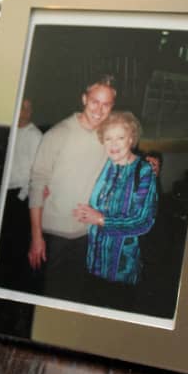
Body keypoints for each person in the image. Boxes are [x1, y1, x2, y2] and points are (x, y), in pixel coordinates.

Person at [26, 76, 116, 299]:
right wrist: (36, 237)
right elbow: (37, 184)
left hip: (88, 233)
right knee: (49, 296)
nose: (99, 110)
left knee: (76, 296)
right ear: (84, 99)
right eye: (95, 102)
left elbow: (125, 161)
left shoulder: (110, 136)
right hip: (54, 234)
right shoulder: (59, 133)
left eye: (106, 104)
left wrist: (150, 163)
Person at [74, 112, 157, 286]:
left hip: (122, 270)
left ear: (131, 139)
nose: (113, 144)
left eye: (120, 138)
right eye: (108, 139)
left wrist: (101, 219)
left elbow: (143, 221)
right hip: (92, 262)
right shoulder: (101, 165)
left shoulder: (143, 171)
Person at [0, 98, 43, 289]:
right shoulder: (9, 132)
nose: (26, 111)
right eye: (23, 107)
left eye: (29, 108)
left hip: (20, 197)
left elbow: (36, 172)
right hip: (2, 193)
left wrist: (21, 197)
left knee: (15, 242)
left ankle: (10, 284)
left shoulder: (35, 136)